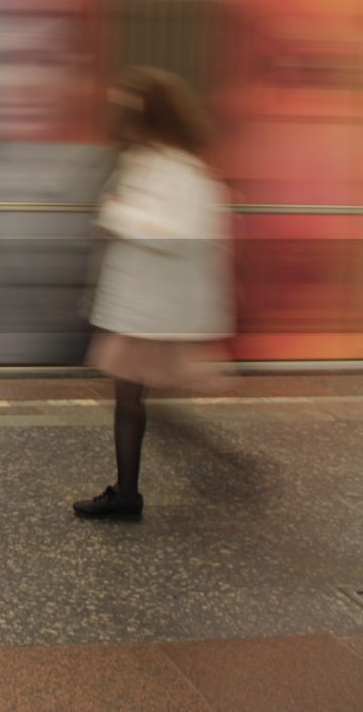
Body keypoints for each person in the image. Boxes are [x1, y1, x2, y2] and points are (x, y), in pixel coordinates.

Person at [73, 67, 234, 518]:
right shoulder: (146, 160)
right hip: (142, 308)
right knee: (136, 400)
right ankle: (130, 492)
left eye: (130, 110)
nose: (121, 119)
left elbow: (182, 233)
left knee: (138, 402)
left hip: (157, 311)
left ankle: (214, 471)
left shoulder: (182, 170)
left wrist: (121, 215)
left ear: (152, 115)